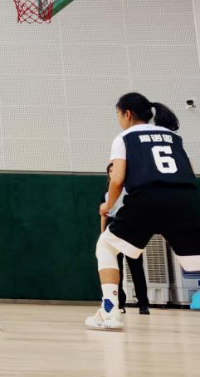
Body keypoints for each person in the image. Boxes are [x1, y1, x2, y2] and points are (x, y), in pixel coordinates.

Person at [86, 93, 200, 331]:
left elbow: (117, 179)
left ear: (127, 114)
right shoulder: (174, 137)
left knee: (106, 246)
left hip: (147, 198)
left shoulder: (124, 137)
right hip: (185, 199)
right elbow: (189, 170)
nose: (119, 119)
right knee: (194, 261)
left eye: (118, 114)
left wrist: (109, 206)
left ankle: (110, 311)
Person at [100, 163, 150, 315]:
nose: (112, 173)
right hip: (112, 226)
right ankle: (119, 303)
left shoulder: (131, 190)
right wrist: (102, 234)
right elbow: (104, 216)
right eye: (110, 171)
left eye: (115, 170)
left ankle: (143, 304)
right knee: (116, 268)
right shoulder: (106, 195)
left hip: (129, 227)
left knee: (136, 268)